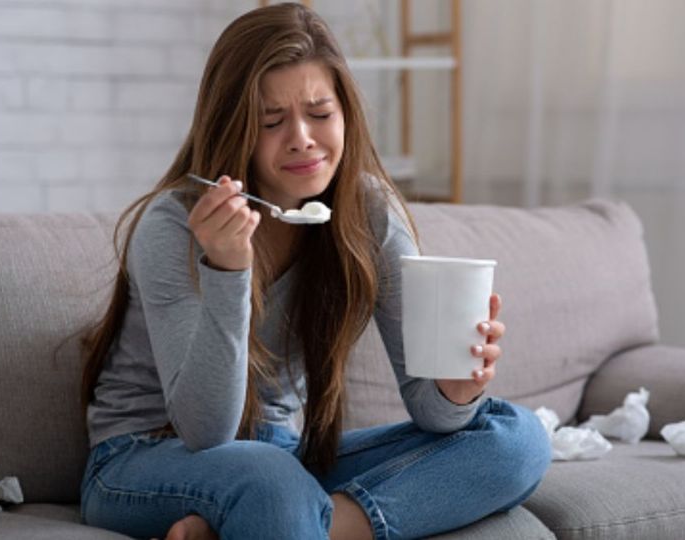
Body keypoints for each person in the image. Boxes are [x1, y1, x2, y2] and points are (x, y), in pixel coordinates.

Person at [79, 3, 550, 539]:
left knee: (516, 436)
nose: (302, 137)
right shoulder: (175, 223)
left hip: (279, 456)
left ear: (346, 114)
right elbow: (206, 431)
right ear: (234, 129)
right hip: (142, 459)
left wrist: (456, 389)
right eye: (272, 122)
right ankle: (272, 516)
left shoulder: (367, 211)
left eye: (320, 114)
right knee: (271, 481)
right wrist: (228, 269)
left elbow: (434, 416)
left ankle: (295, 527)